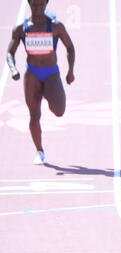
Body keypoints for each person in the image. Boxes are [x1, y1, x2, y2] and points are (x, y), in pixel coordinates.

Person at [6, 0, 75, 165]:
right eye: (34, 5)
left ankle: (47, 92)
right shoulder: (21, 29)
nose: (38, 9)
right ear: (29, 4)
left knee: (59, 110)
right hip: (32, 75)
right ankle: (39, 151)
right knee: (34, 115)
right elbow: (10, 52)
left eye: (41, 5)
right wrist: (13, 69)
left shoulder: (56, 26)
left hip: (51, 73)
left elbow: (70, 47)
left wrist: (70, 70)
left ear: (46, 4)